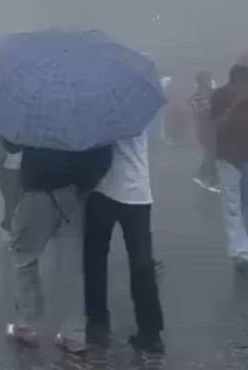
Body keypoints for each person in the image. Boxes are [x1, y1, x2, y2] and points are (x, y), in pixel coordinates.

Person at [6, 142, 113, 354]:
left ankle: (25, 323)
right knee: (70, 265)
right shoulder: (84, 113)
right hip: (72, 196)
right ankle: (73, 334)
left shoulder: (33, 112)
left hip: (35, 192)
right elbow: (104, 157)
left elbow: (9, 144)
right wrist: (85, 185)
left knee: (25, 257)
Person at [83, 119, 165, 355]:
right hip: (137, 192)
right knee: (142, 264)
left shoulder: (99, 111)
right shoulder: (136, 108)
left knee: (95, 260)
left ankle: (97, 324)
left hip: (102, 191)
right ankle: (150, 332)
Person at [210, 64, 248, 270]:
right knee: (232, 207)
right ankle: (240, 253)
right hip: (227, 158)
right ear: (236, 82)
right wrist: (235, 105)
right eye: (245, 83)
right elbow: (217, 125)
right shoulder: (220, 96)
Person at [0, 126, 23, 241]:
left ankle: (9, 227)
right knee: (14, 200)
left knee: (10, 200)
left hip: (9, 170)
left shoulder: (0, 127)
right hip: (19, 169)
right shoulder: (29, 129)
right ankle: (12, 226)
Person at [190, 71, 221, 192]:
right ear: (202, 82)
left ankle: (201, 175)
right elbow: (202, 113)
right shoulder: (196, 96)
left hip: (213, 129)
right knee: (211, 153)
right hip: (204, 130)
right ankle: (213, 181)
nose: (211, 81)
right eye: (209, 79)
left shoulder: (212, 93)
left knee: (211, 153)